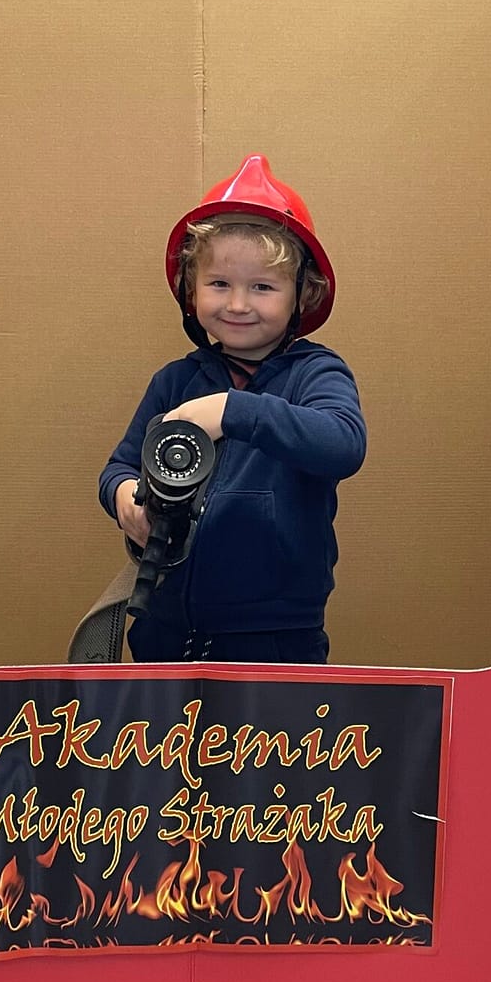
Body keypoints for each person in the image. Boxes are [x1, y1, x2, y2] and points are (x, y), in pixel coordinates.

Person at [99, 155, 366, 663]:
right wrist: (125, 498)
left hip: (277, 641)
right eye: (219, 284)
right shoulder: (175, 381)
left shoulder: (315, 373)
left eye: (262, 287)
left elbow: (343, 444)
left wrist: (232, 410)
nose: (238, 304)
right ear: (191, 290)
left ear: (302, 294)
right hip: (164, 633)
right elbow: (119, 467)